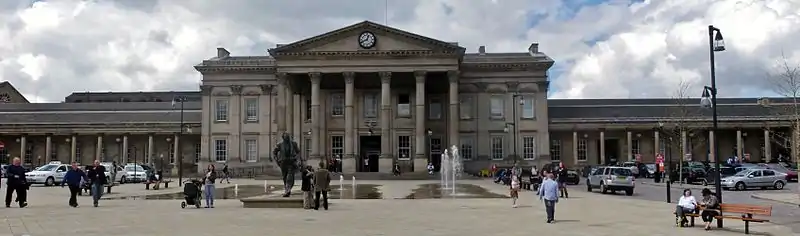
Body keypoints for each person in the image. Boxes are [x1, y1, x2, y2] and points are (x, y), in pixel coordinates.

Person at [272, 133, 300, 197]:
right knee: (284, 178)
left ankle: (287, 190)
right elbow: (274, 153)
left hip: (291, 162)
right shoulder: (279, 144)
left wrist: (297, 159)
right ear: (283, 138)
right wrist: (277, 160)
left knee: (289, 178)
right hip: (283, 163)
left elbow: (298, 152)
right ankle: (287, 190)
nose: (287, 138)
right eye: (285, 137)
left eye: (288, 137)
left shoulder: (293, 144)